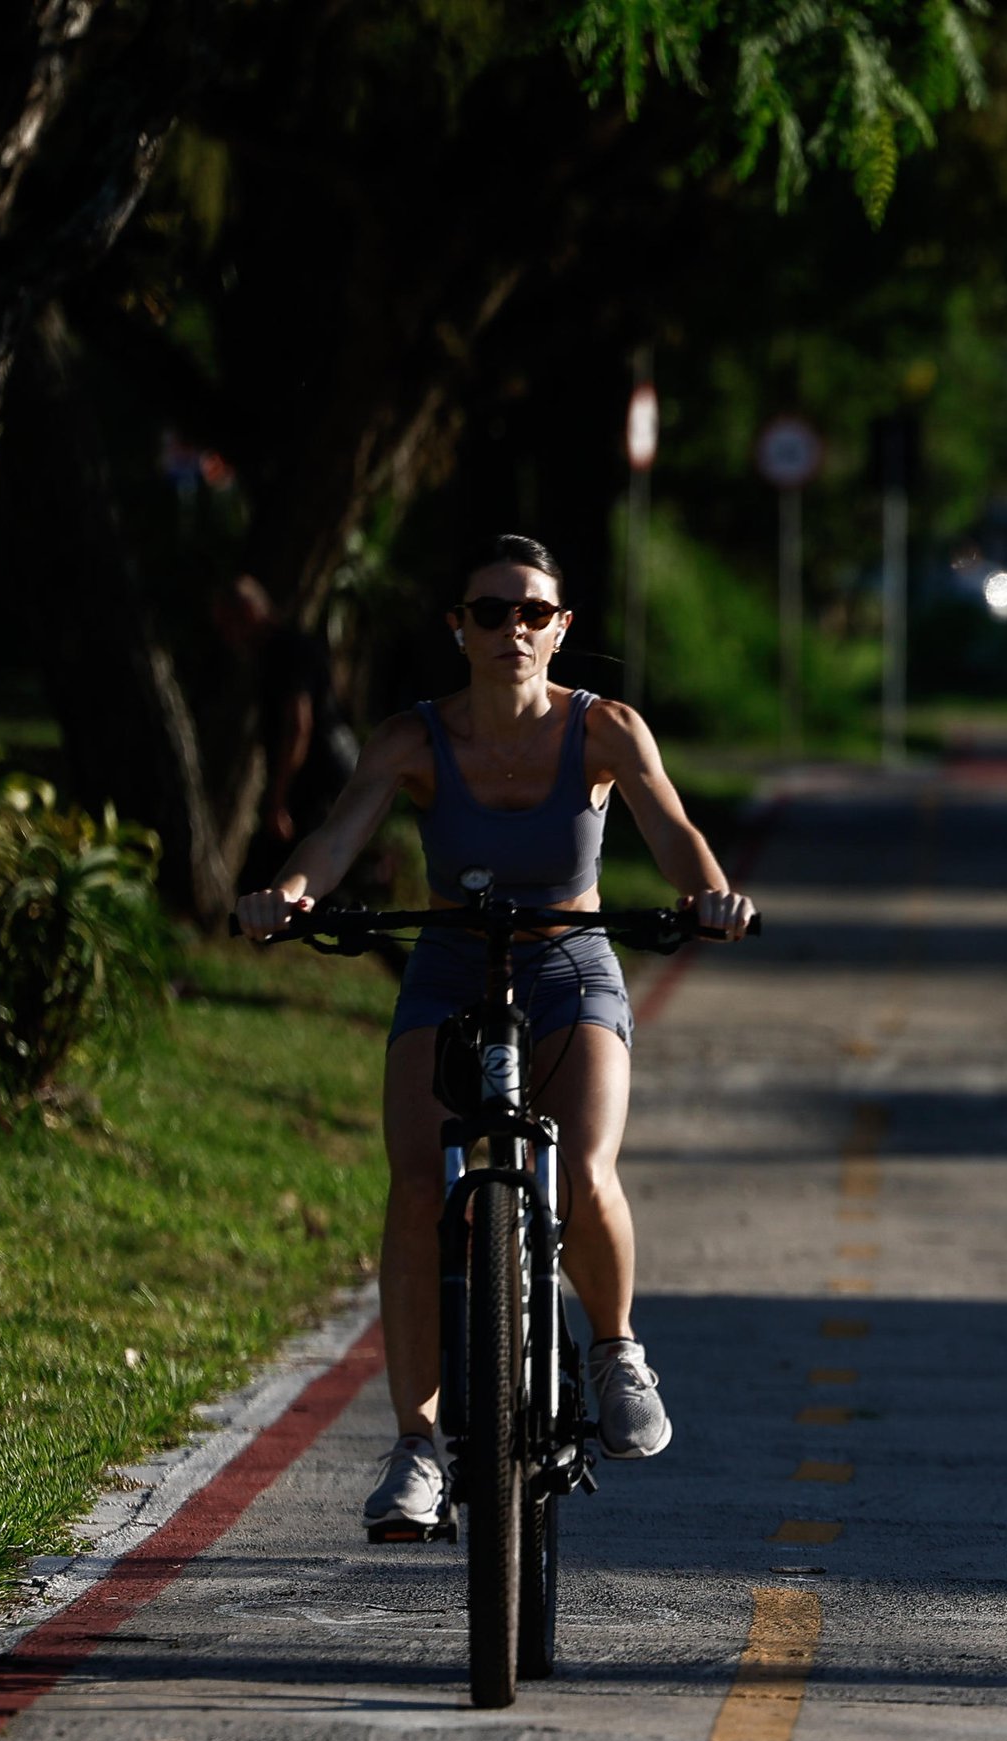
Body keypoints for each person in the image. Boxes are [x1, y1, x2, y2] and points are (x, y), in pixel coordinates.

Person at [235, 536, 756, 1533]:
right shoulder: (416, 739)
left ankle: (614, 1353)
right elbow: (337, 837)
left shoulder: (606, 730)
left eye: (532, 612)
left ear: (562, 628)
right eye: (489, 611)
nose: (511, 629)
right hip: (451, 969)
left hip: (569, 973)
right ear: (458, 629)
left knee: (589, 1164)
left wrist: (710, 895)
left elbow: (673, 829)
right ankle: (419, 1447)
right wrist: (288, 897)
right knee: (419, 1184)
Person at [216, 575, 351, 893]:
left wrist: (278, 797)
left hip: (319, 780)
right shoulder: (280, 651)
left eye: (229, 625)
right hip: (317, 779)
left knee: (297, 875)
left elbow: (298, 725)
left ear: (249, 612)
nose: (228, 638)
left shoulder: (287, 651)